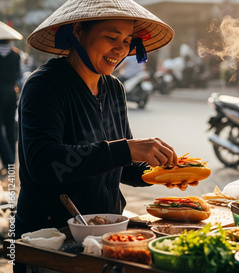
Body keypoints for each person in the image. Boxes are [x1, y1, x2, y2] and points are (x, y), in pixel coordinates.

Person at [14, 0, 177, 271]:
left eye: (127, 40)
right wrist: (127, 148)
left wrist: (162, 170)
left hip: (105, 233)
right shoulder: (43, 86)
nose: (121, 49)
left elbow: (121, 166)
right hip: (52, 241)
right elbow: (44, 164)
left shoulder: (114, 89)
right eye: (111, 37)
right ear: (78, 31)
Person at [0, 22, 22, 178]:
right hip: (11, 93)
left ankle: (7, 162)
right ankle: (11, 166)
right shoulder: (16, 54)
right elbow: (18, 75)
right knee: (10, 129)